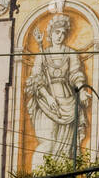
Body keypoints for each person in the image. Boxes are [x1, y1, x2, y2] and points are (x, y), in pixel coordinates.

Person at [26, 14, 87, 168]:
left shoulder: (71, 54)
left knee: (65, 148)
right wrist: (48, 98)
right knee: (48, 142)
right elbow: (36, 79)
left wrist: (82, 90)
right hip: (47, 104)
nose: (59, 36)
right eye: (56, 32)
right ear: (50, 33)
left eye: (62, 33)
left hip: (68, 102)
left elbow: (76, 74)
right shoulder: (42, 55)